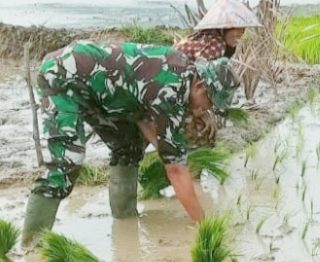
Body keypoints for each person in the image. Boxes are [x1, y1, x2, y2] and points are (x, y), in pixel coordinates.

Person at [21, 40, 239, 245]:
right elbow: (176, 170)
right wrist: (205, 226)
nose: (204, 109)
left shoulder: (182, 69)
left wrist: (166, 150)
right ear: (201, 86)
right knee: (68, 161)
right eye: (208, 103)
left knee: (129, 147)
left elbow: (143, 116)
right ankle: (33, 244)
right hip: (63, 76)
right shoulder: (173, 88)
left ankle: (124, 219)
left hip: (101, 91)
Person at [174, 0, 261, 61]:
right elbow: (201, 74)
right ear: (223, 29)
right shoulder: (217, 44)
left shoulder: (206, 37)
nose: (240, 34)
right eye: (236, 29)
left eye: (242, 30)